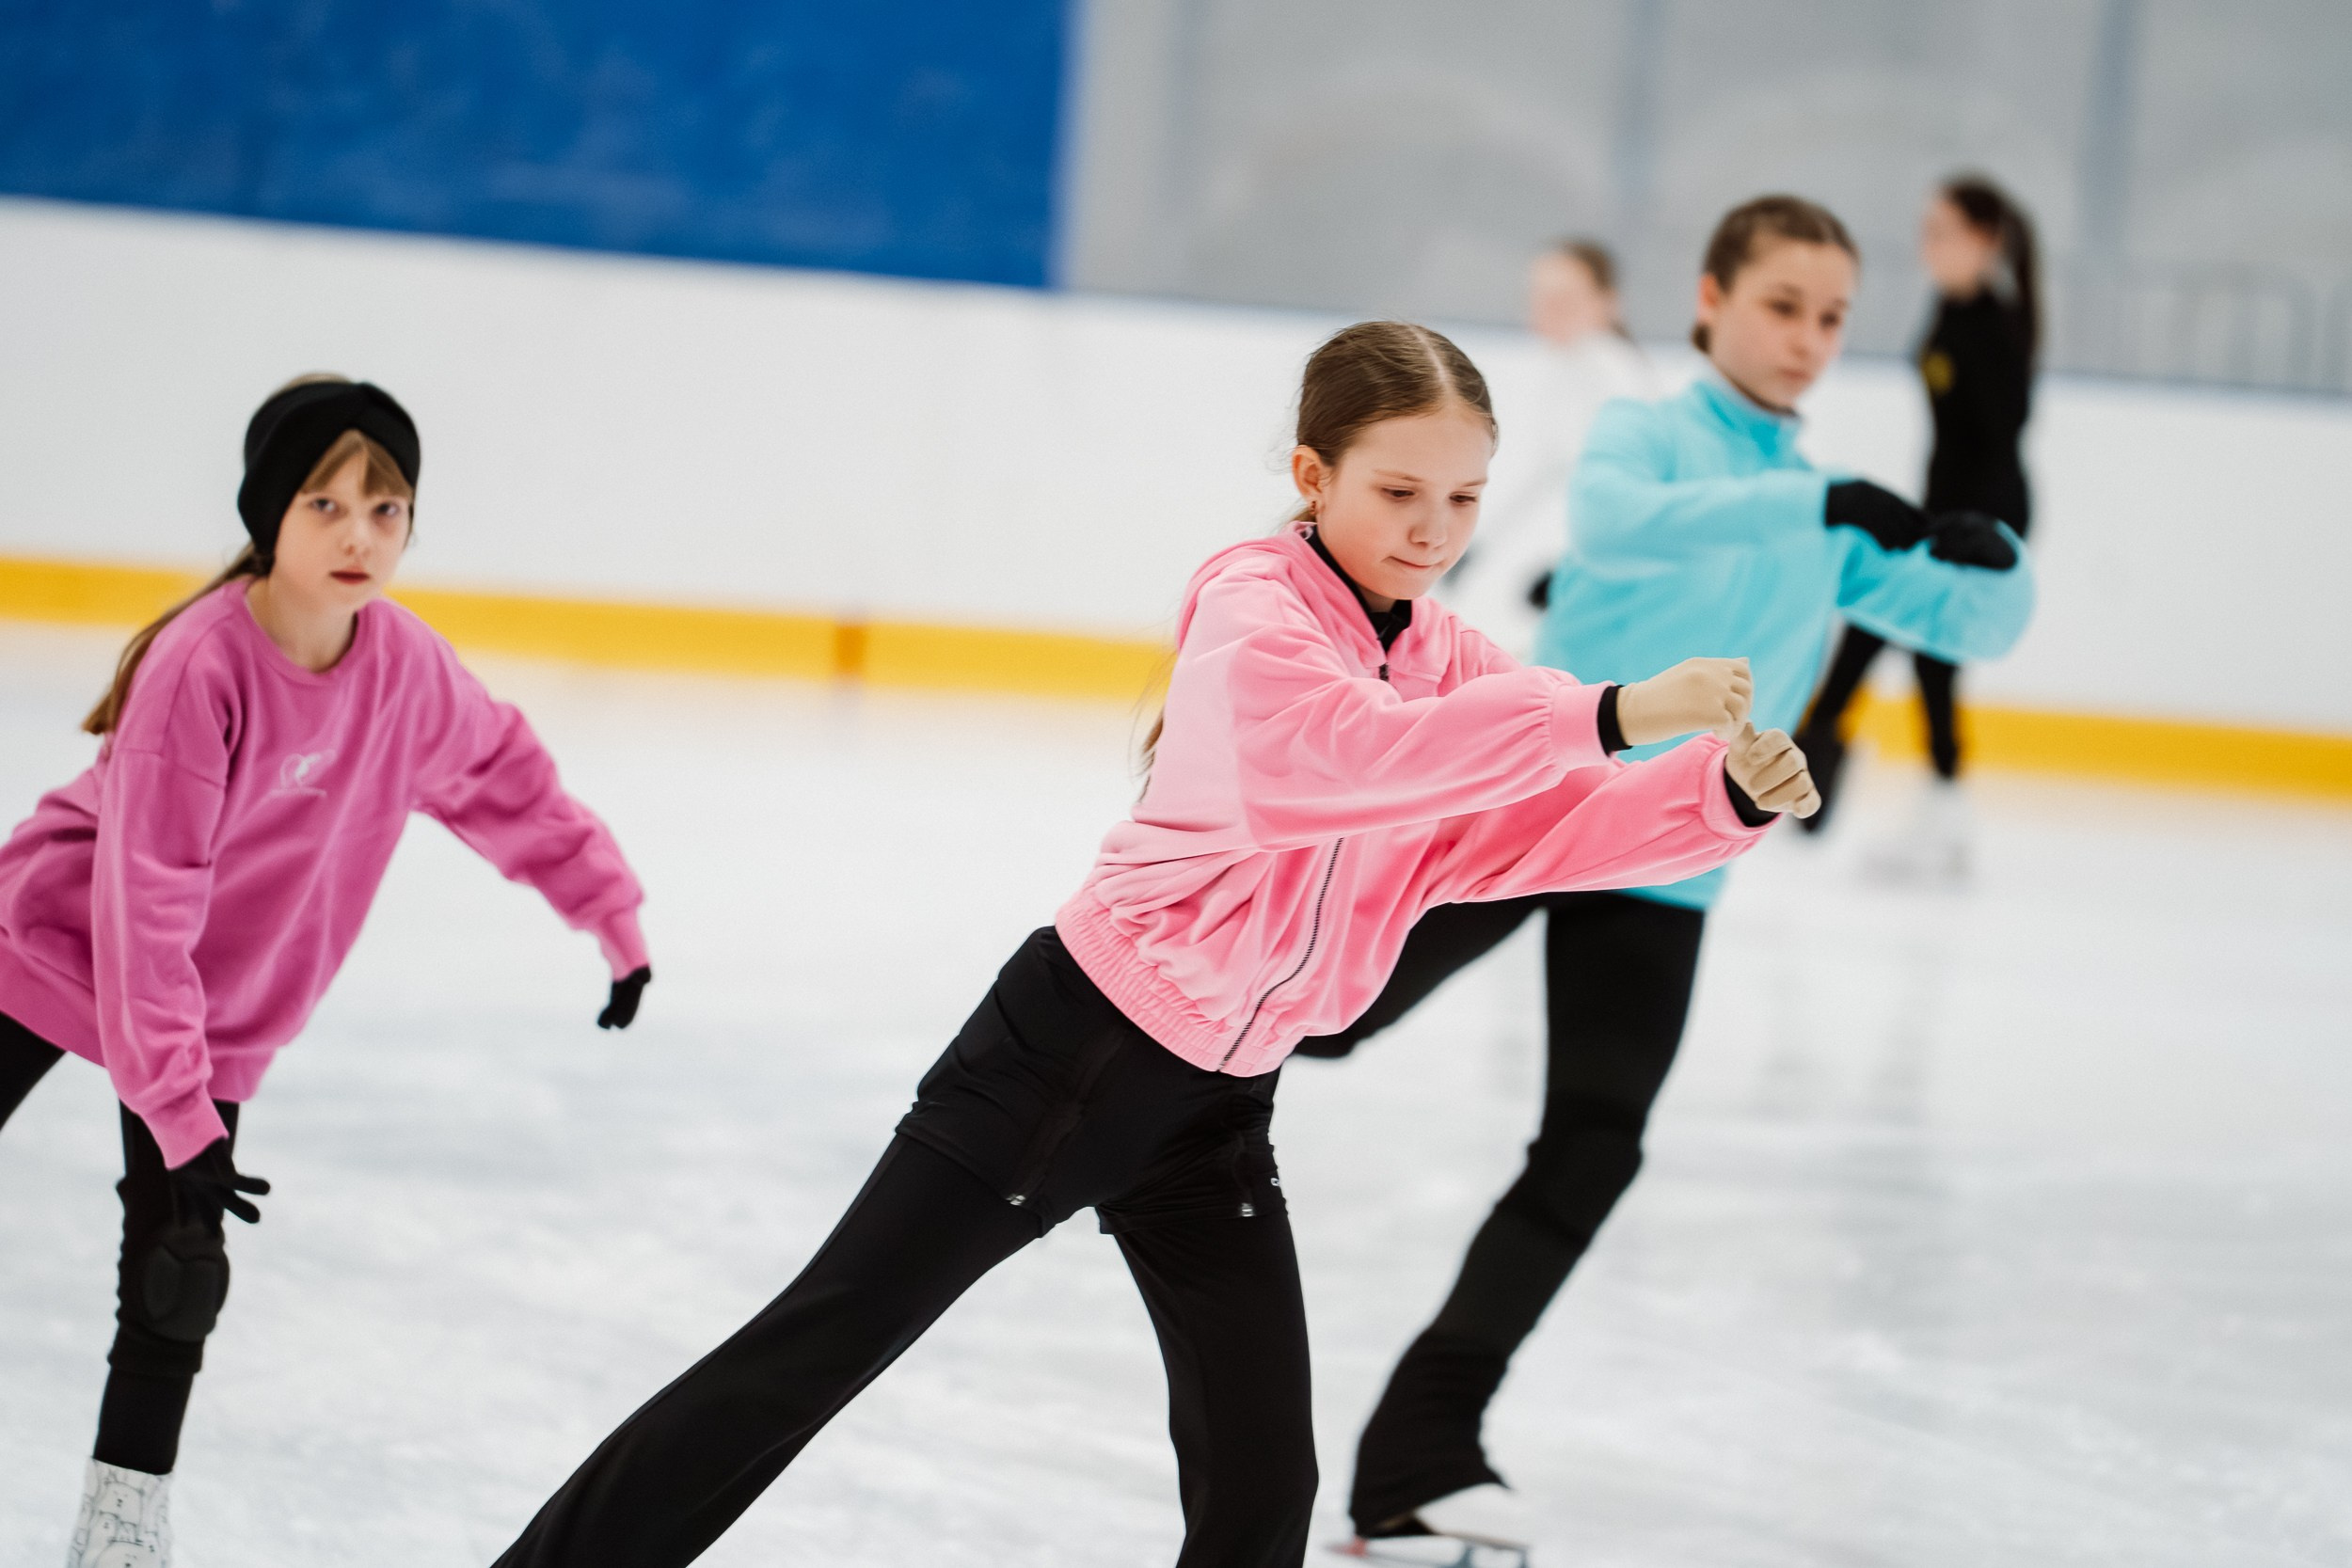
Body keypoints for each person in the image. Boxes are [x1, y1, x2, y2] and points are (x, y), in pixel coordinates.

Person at [485, 321, 1819, 1568]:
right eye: (1400, 492)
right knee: (812, 1352)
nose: (1435, 531)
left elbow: (1524, 829)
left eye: (1464, 500)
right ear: (1315, 471)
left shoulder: (1449, 659)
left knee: (1261, 1480)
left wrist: (1718, 798)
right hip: (1066, 1061)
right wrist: (1615, 707)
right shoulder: (1257, 608)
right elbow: (1328, 762)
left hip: (1218, 1105)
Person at [1296, 198, 2035, 1561]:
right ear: (1711, 300)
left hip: (1668, 854)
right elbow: (1629, 525)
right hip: (1526, 800)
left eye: (1831, 317)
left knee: (1595, 1141)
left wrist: (2002, 550)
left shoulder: (1831, 518)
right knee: (1326, 1013)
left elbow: (1966, 617)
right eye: (1781, 305)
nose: (1807, 338)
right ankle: (1105, 1104)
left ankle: (1421, 1448)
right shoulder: (1655, 432)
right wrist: (1819, 500)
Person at [0, 376, 655, 1568]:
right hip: (54, 946)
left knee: (177, 1270)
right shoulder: (200, 668)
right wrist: (181, 1114)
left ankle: (118, 1534)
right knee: (176, 1211)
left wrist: (607, 909)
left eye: (388, 508)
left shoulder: (404, 668)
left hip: (218, 1005)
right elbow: (147, 905)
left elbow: (504, 779)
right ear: (270, 513)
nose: (360, 535)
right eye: (326, 503)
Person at [1796, 174, 2041, 877]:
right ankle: (1831, 753)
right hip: (1944, 507)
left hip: (1979, 519)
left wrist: (1969, 536)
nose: (1927, 246)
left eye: (1942, 232)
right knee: (1888, 629)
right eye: (1925, 230)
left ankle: (1936, 811)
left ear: (1985, 242)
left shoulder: (1993, 326)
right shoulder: (1953, 309)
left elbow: (2001, 443)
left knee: (1927, 652)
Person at [1440, 239, 1661, 654]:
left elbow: (1628, 481)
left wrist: (1571, 565)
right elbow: (1546, 471)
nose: (1545, 307)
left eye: (1564, 297)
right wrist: (1477, 540)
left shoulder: (1611, 372)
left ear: (1607, 303)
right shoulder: (1574, 366)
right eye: (1540, 295)